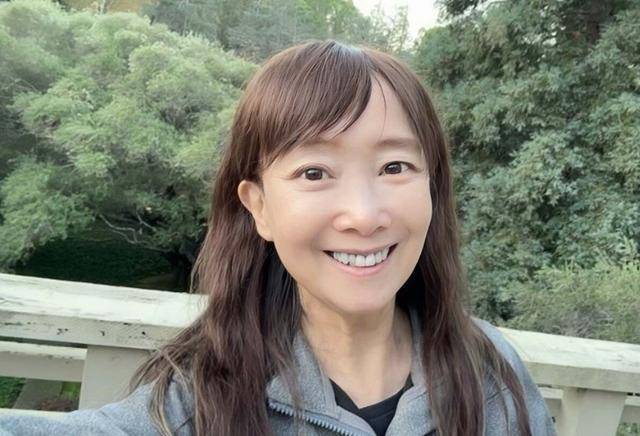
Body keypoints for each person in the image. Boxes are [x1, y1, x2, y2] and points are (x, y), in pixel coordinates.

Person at [0, 40, 556, 436]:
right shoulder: (203, 402)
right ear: (259, 207)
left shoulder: (491, 373)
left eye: (394, 167)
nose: (364, 216)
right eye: (314, 173)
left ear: (432, 188)